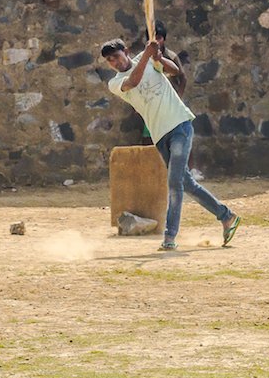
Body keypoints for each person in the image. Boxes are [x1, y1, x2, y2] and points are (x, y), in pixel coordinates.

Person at [101, 39, 240, 251]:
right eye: (110, 60)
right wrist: (148, 55)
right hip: (159, 135)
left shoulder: (147, 60)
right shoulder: (115, 82)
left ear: (126, 51)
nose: (114, 62)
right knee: (186, 183)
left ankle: (169, 237)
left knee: (175, 183)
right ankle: (226, 215)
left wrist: (159, 58)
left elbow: (175, 71)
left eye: (116, 56)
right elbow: (133, 82)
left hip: (180, 125)